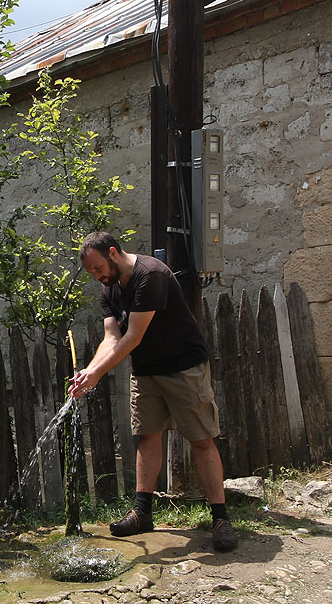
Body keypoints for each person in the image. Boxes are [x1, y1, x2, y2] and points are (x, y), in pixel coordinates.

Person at [68, 230, 238, 552]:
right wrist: (89, 371)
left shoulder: (151, 275)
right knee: (147, 438)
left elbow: (133, 336)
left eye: (97, 268)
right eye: (91, 272)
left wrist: (97, 374)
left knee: (201, 440)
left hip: (183, 367)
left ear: (113, 253)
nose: (96, 276)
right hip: (146, 372)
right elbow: (111, 338)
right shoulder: (109, 289)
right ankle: (143, 513)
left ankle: (220, 518)